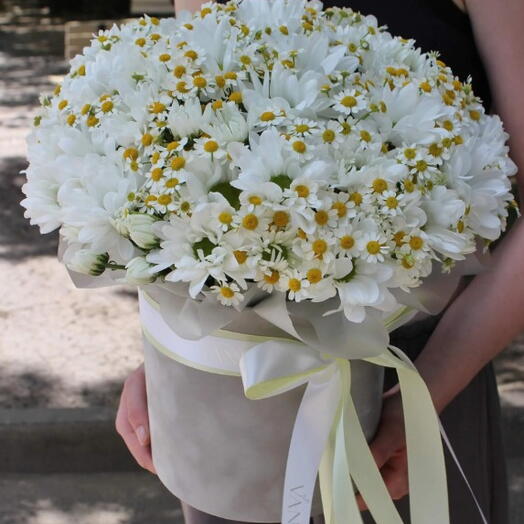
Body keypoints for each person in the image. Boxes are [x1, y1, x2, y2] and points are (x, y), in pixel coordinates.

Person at [115, 0, 524, 522]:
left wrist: (419, 399)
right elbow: (183, 167)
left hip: (419, 379)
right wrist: (171, 350)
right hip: (231, 403)